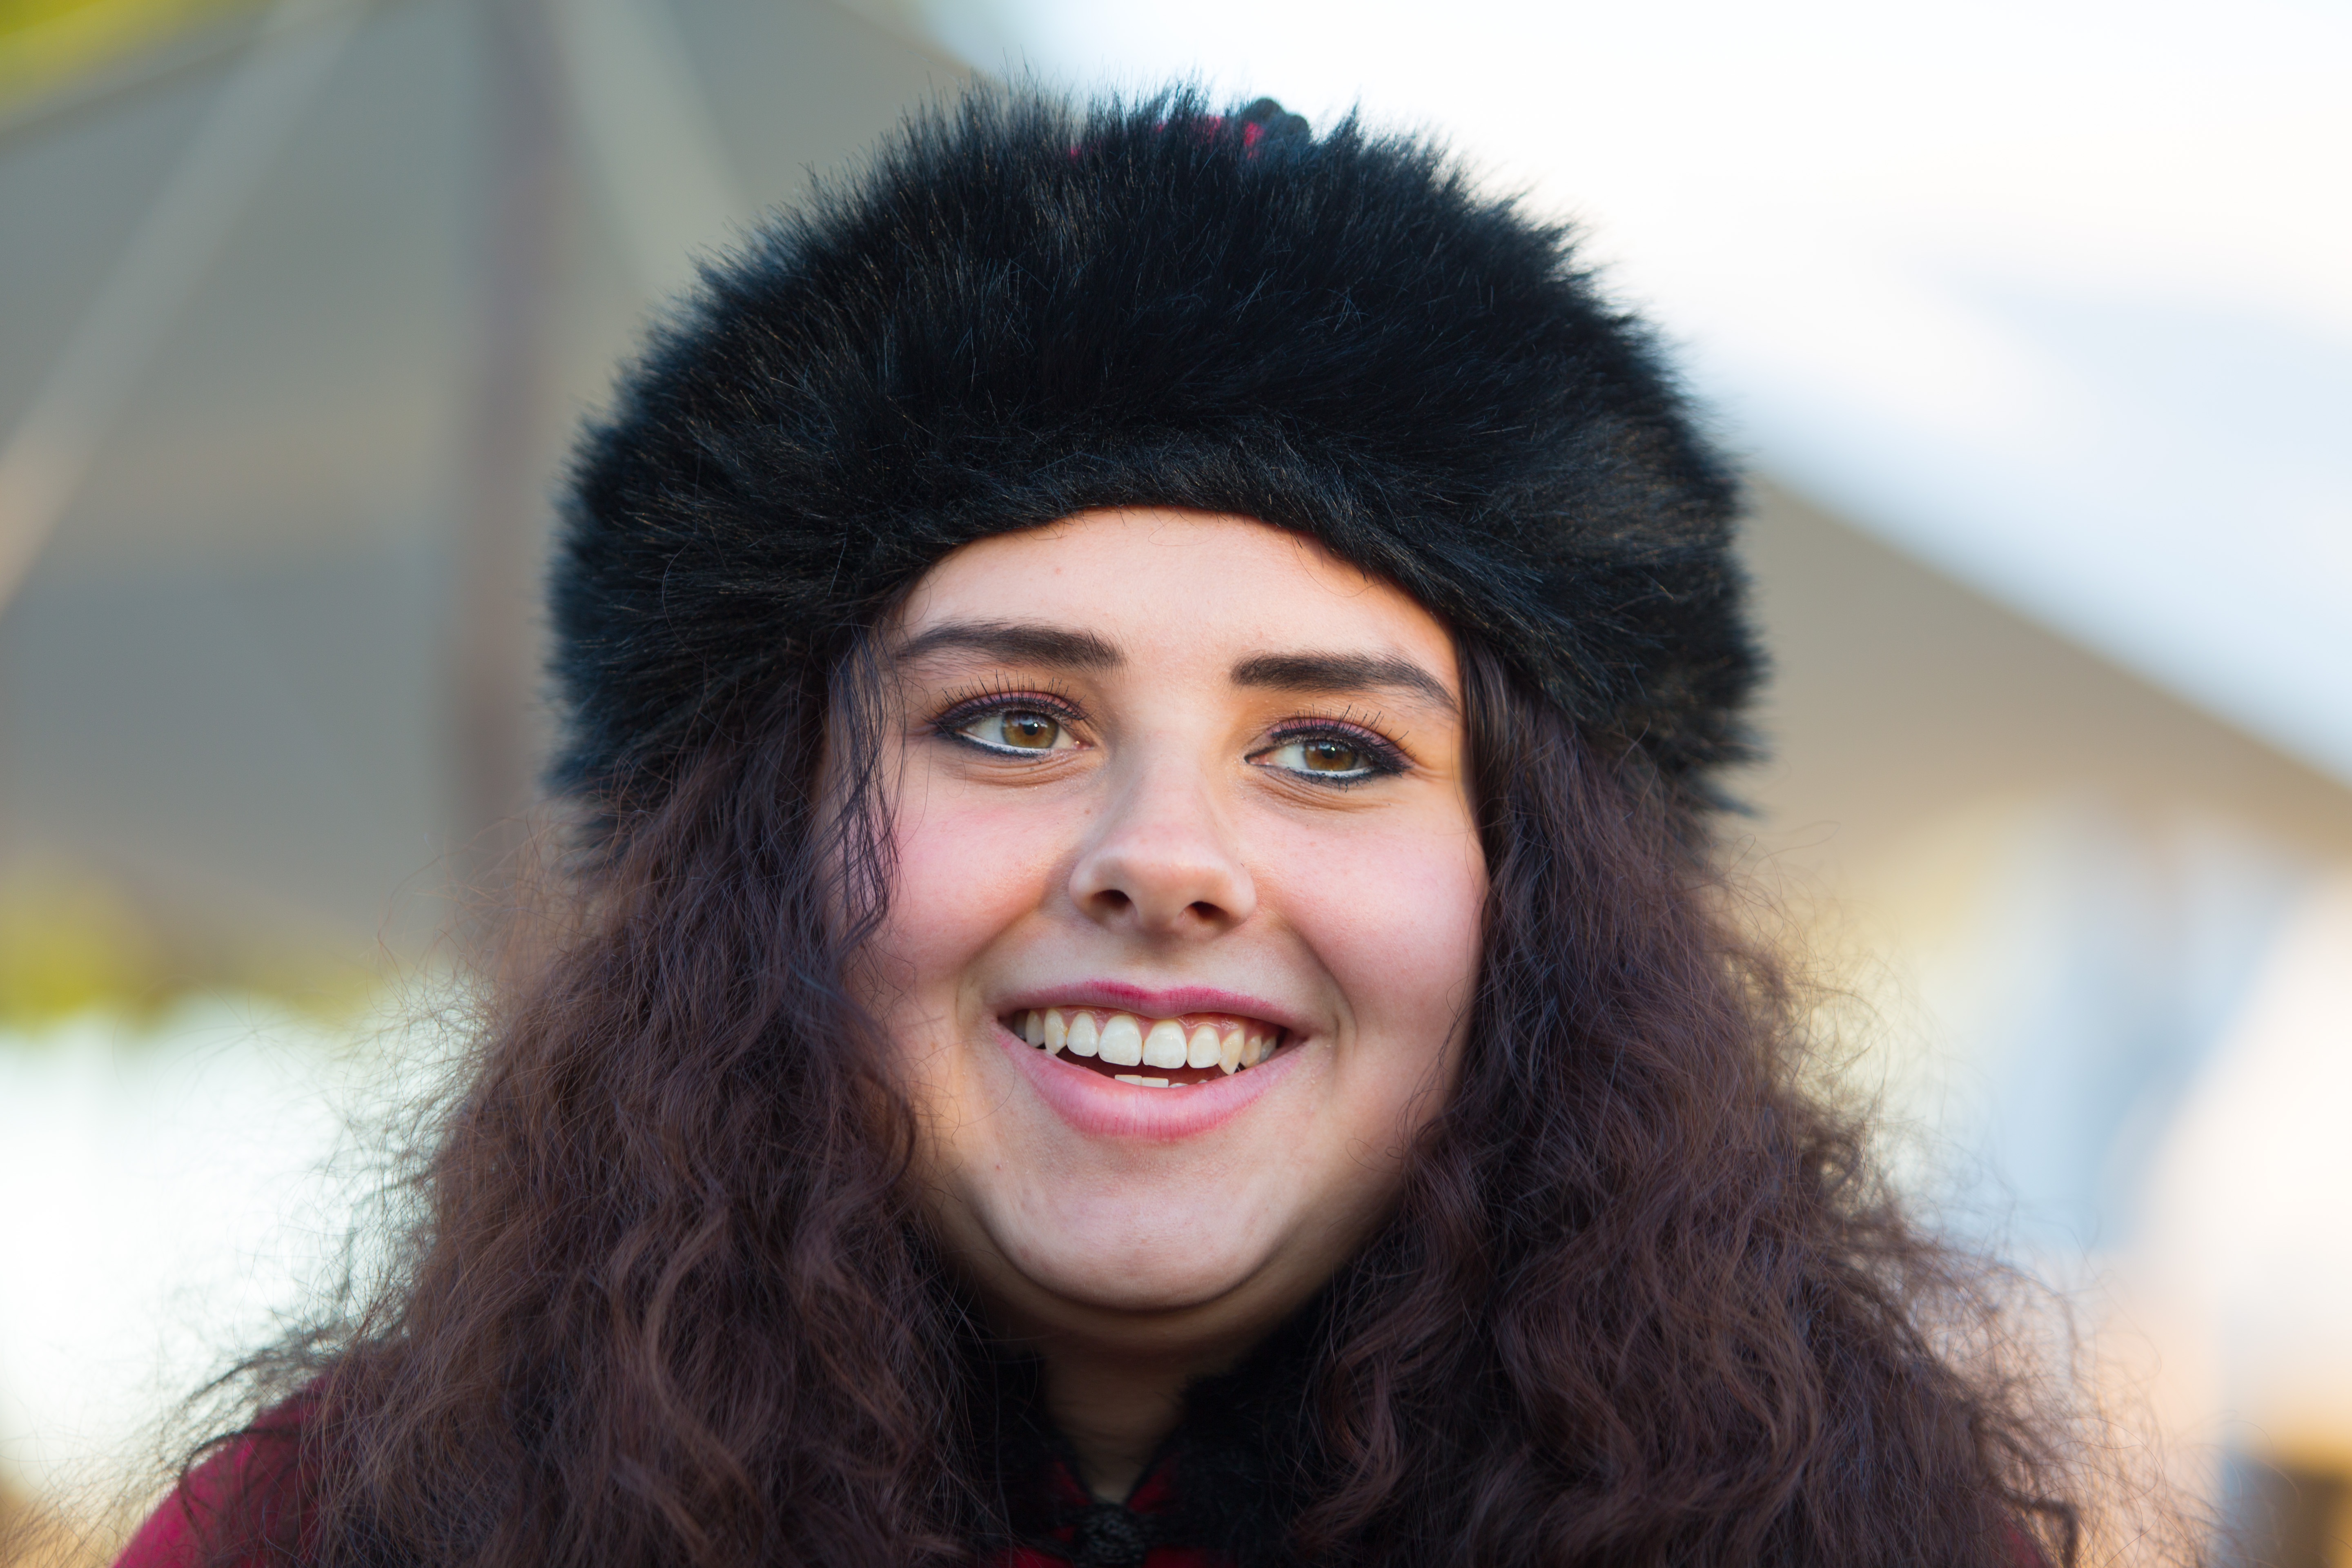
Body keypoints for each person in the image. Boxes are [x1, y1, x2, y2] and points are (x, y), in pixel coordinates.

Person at [120, 87, 2109, 1568]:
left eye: (1331, 750)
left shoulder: (1870, 1534)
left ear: (1538, 905)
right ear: (758, 866)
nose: (1166, 857)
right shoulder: (335, 1530)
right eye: (1012, 723)